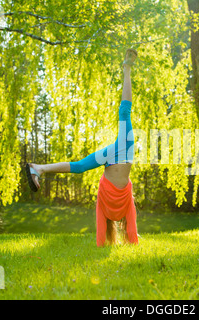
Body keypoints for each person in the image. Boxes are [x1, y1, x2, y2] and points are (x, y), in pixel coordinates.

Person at [25, 49, 139, 247]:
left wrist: (101, 245)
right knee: (125, 112)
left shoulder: (109, 203)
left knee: (78, 167)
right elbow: (131, 230)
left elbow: (110, 230)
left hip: (113, 156)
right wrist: (133, 244)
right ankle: (126, 68)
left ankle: (39, 168)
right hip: (122, 151)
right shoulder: (122, 201)